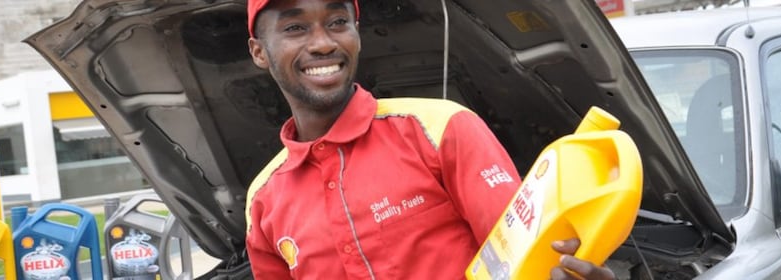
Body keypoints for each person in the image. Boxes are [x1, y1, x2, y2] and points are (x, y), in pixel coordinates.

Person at [242, 0, 615, 278]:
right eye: (295, 28)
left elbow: (524, 261)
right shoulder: (263, 199)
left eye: (338, 22)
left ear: (357, 35)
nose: (323, 43)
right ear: (259, 51)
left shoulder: (442, 128)